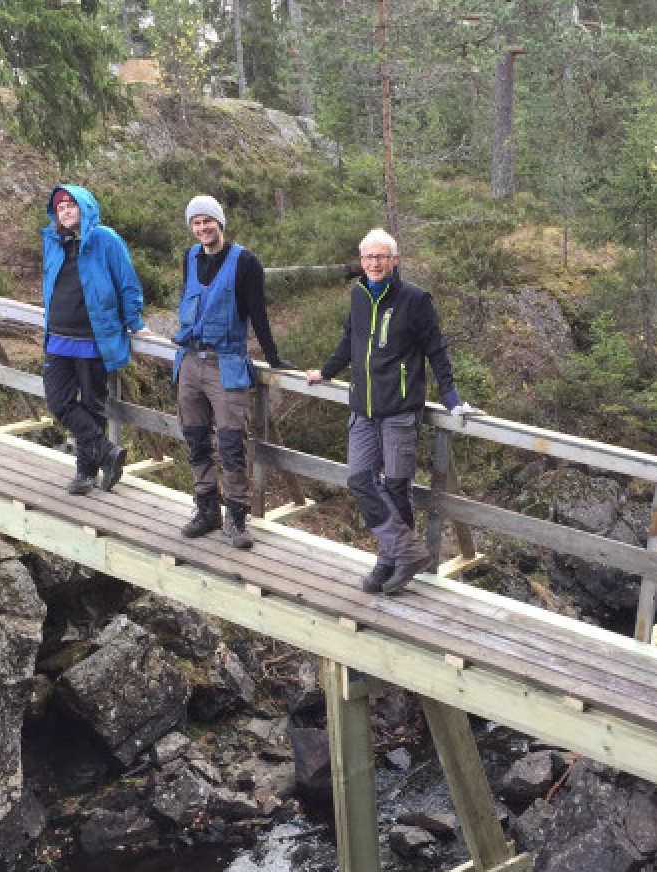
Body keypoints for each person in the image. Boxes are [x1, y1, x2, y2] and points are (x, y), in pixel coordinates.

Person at [306, 228, 477, 595]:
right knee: (360, 480)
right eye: (368, 257)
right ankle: (408, 553)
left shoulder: (416, 300)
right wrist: (326, 372)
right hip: (363, 409)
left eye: (381, 256)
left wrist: (450, 396)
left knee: (397, 486)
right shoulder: (358, 295)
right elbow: (350, 340)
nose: (374, 263)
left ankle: (390, 560)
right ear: (361, 261)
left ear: (394, 260)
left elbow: (436, 349)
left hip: (399, 409)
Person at [174, 194, 292, 549]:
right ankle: (206, 508)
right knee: (195, 438)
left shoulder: (245, 262)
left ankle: (237, 518)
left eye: (207, 221)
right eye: (196, 223)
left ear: (219, 222)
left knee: (231, 444)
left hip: (226, 364)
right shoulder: (189, 258)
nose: (202, 228)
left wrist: (273, 358)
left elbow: (258, 314)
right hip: (189, 361)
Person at [42, 184, 150, 495]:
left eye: (71, 205)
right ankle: (107, 452)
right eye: (60, 208)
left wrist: (135, 322)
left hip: (93, 338)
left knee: (92, 406)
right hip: (58, 337)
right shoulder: (53, 241)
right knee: (58, 401)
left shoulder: (105, 239)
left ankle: (85, 473)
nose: (65, 211)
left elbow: (127, 282)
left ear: (85, 207)